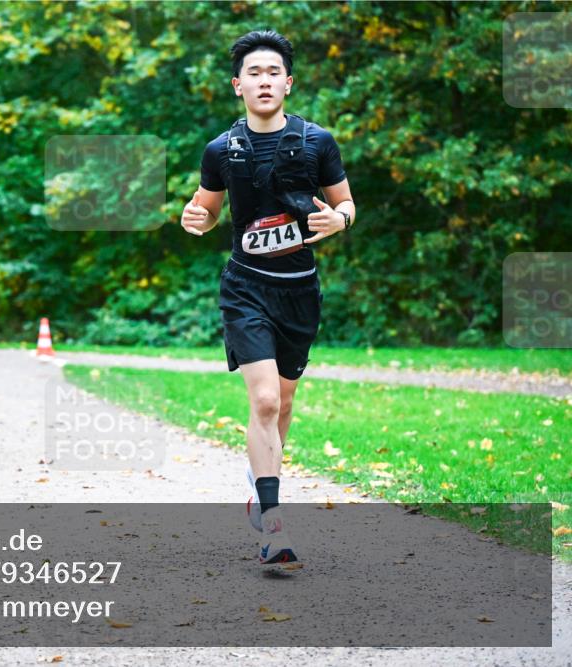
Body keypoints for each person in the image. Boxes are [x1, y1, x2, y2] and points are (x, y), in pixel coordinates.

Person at [180, 30, 356, 565]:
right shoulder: (221, 150)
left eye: (273, 72)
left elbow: (346, 205)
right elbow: (206, 210)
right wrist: (196, 218)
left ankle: (261, 484)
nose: (264, 81)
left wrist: (339, 220)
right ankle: (274, 529)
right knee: (264, 401)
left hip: (299, 292)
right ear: (238, 85)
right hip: (246, 288)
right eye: (253, 73)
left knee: (283, 403)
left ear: (288, 83)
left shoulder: (317, 142)